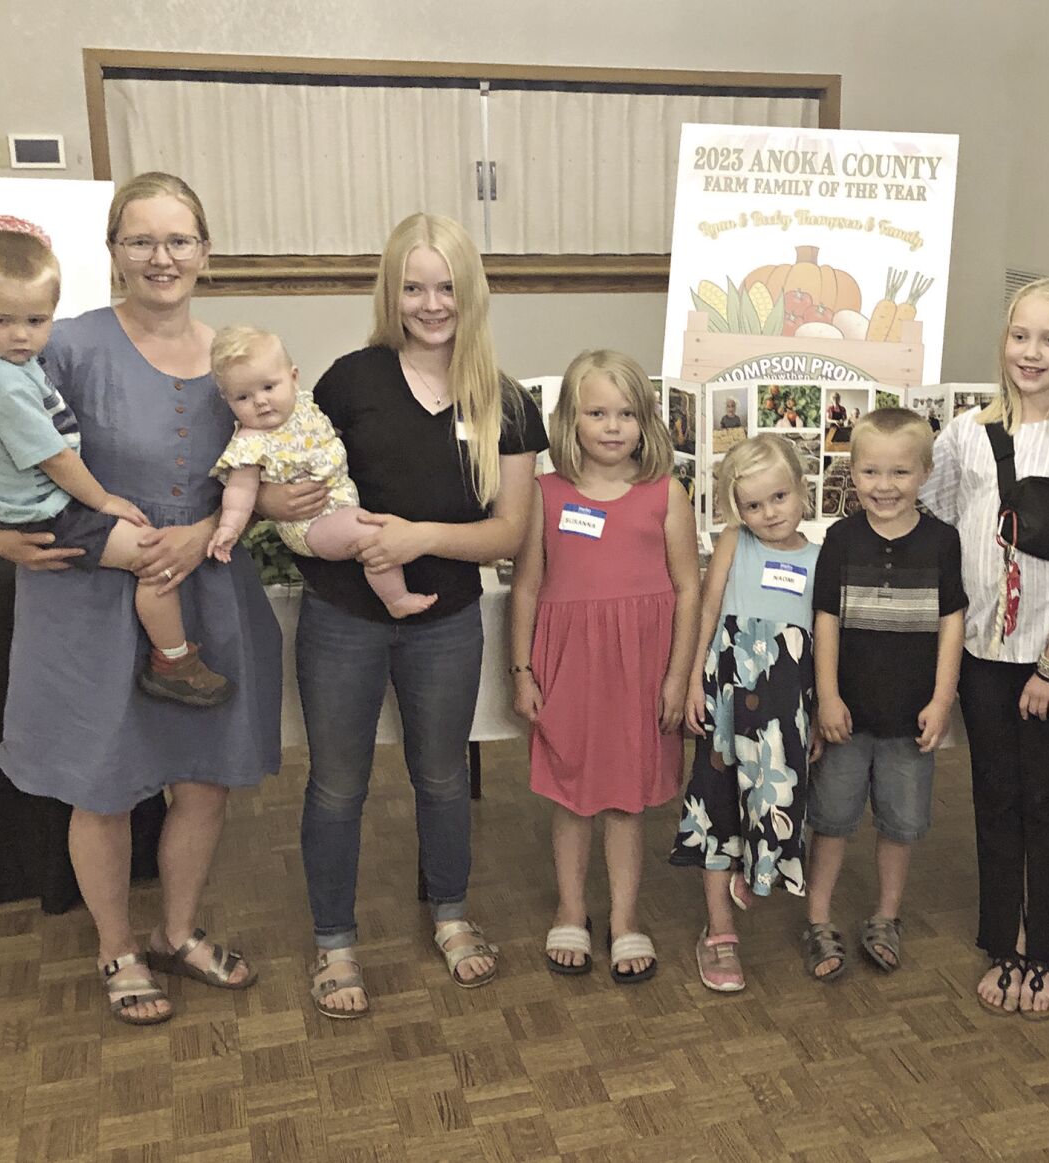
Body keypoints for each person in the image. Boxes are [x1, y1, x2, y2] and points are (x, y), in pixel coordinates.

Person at [0, 172, 281, 1026]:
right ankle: (116, 946)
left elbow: (264, 467)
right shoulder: (63, 342)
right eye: (141, 240)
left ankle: (175, 931)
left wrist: (211, 521)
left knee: (204, 782)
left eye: (178, 239)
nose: (160, 257)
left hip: (202, 593)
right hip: (89, 601)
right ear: (113, 252)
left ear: (206, 250)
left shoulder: (237, 354)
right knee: (104, 784)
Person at [261, 212, 546, 1019]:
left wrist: (419, 536)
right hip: (343, 617)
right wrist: (296, 513)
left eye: (445, 285)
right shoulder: (350, 381)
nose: (430, 303)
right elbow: (296, 482)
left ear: (471, 290)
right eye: (413, 286)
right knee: (337, 785)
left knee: (443, 776)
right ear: (392, 291)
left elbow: (510, 531)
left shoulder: (507, 401)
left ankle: (452, 916)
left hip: (447, 622)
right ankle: (334, 941)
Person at [921, 278, 1049, 1017]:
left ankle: (1047, 948)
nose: (1030, 352)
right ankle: (1002, 936)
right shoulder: (965, 434)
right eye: (1020, 336)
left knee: (1045, 802)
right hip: (979, 654)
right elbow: (941, 523)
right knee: (993, 797)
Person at [0, 229, 234, 708]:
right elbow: (54, 458)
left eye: (35, 321)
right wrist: (102, 501)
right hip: (47, 513)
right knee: (152, 559)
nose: (20, 335)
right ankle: (174, 661)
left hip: (38, 507)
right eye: (2, 320)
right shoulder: (8, 381)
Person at [509, 349, 698, 984]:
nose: (613, 426)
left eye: (626, 413)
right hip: (569, 667)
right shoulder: (546, 493)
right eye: (597, 412)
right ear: (571, 420)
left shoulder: (666, 495)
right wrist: (521, 670)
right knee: (571, 795)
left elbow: (688, 588)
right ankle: (570, 908)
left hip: (641, 669)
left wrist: (677, 675)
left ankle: (624, 918)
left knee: (625, 801)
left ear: (646, 421)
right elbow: (528, 587)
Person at [806, 408, 965, 980]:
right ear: (851, 471)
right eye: (870, 472)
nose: (884, 486)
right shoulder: (841, 539)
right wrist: (827, 695)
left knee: (901, 824)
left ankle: (885, 916)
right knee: (832, 819)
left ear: (924, 472)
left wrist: (943, 698)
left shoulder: (944, 542)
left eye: (899, 473)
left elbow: (953, 621)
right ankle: (818, 918)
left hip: (911, 717)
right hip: (846, 714)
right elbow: (825, 619)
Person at [670, 435, 821, 993]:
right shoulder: (736, 542)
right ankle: (719, 931)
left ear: (803, 491)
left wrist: (822, 708)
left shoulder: (819, 558)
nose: (768, 513)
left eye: (779, 497)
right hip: (727, 692)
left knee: (780, 801)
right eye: (753, 505)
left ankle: (754, 880)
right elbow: (709, 607)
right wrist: (691, 679)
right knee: (716, 803)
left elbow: (824, 641)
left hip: (787, 705)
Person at [205, 325, 435, 619]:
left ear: (293, 378)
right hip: (309, 525)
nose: (260, 401)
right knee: (374, 537)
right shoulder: (251, 442)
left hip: (336, 503)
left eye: (268, 387)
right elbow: (239, 491)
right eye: (243, 398)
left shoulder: (304, 406)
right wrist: (229, 528)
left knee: (371, 532)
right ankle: (396, 599)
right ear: (227, 400)